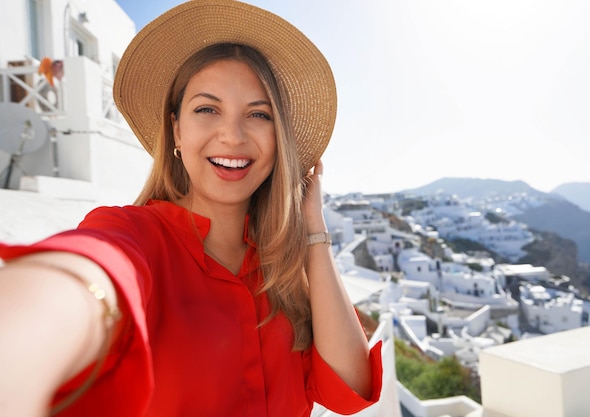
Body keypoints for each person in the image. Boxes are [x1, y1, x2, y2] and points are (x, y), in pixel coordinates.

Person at [0, 1, 382, 416]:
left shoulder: (284, 270)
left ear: (279, 142)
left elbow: (352, 384)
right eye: (207, 109)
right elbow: (83, 277)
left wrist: (313, 229)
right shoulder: (135, 235)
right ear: (176, 130)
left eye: (259, 114)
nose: (232, 136)